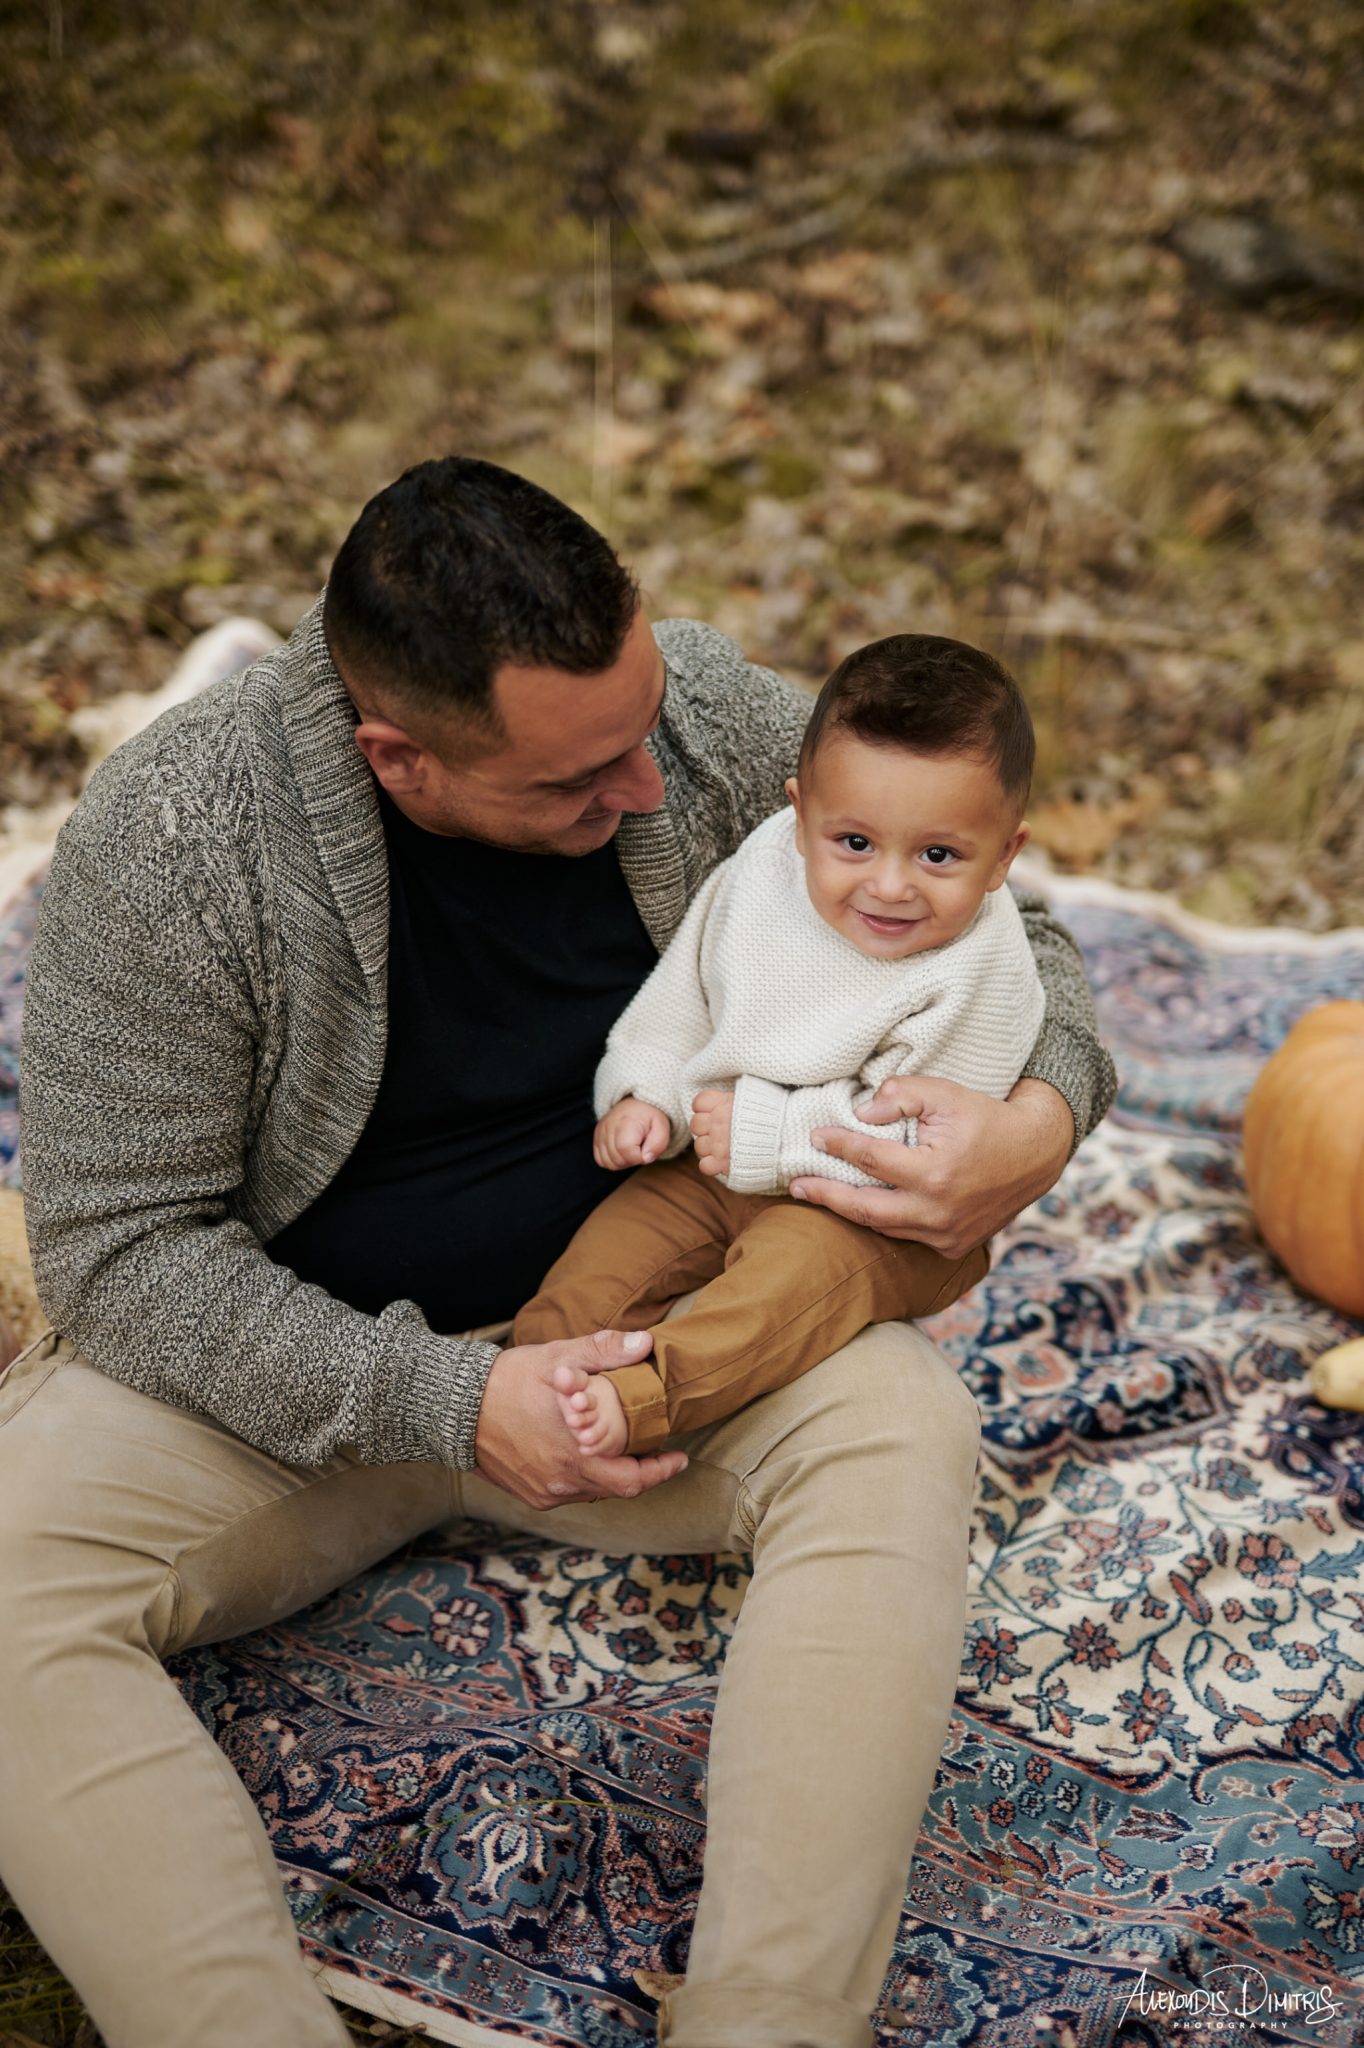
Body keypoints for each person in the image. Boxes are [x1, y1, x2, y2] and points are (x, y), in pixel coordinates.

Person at [2, 456, 1116, 2048]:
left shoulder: (688, 718)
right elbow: (119, 1255)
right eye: (579, 781)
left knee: (901, 1429)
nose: (649, 789)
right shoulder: (174, 840)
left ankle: (770, 2024)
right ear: (400, 758)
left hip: (653, 1333)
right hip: (298, 1367)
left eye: (644, 730)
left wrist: (1039, 1122)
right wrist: (453, 1403)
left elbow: (1020, 933)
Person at [522, 633, 1046, 1459]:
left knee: (780, 1293)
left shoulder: (982, 967)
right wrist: (646, 1091)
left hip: (875, 1215)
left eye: (939, 855)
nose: (890, 885)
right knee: (607, 1261)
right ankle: (535, 1375)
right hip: (718, 1161)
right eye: (855, 844)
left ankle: (646, 1394)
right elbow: (687, 991)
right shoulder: (765, 866)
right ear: (800, 818)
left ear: (1005, 855)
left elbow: (929, 1144)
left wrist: (768, 1131)